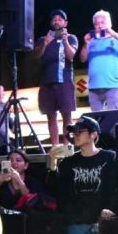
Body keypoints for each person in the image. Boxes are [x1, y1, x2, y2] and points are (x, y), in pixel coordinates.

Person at [34, 9, 79, 145]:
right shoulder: (43, 39)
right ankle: (55, 146)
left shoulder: (71, 38)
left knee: (67, 115)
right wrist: (45, 43)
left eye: (60, 19)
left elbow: (71, 56)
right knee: (50, 116)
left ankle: (67, 145)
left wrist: (65, 41)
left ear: (65, 22)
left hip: (64, 80)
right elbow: (37, 55)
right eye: (54, 19)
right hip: (47, 81)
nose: (56, 21)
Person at [79, 10, 118, 111]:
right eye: (97, 24)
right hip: (94, 87)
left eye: (103, 23)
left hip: (113, 86)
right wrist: (85, 43)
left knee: (112, 119)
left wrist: (113, 33)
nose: (100, 26)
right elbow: (82, 59)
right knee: (96, 121)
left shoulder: (117, 40)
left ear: (109, 24)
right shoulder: (91, 42)